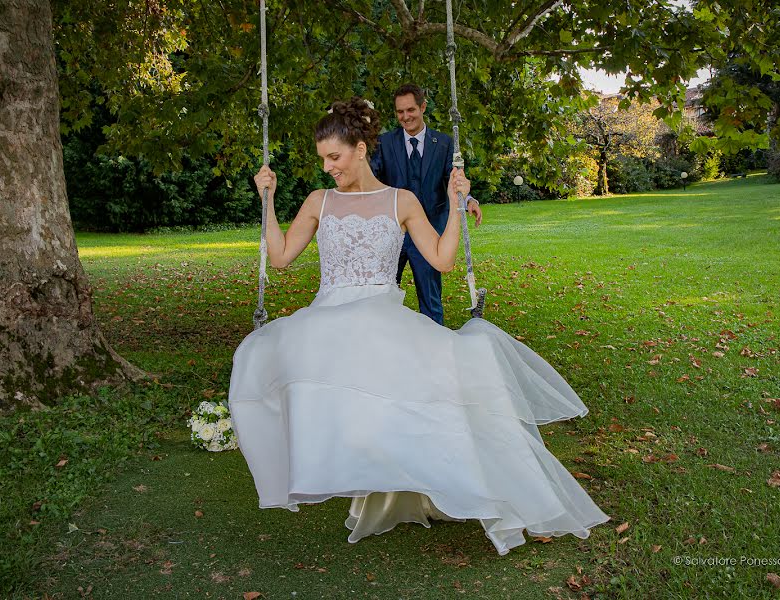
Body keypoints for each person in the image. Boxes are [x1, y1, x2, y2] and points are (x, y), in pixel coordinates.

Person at [228, 97, 609, 556]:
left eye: (335, 157)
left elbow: (443, 260)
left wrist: (452, 203)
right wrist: (267, 202)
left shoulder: (400, 201)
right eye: (323, 159)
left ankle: (454, 482)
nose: (328, 167)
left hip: (380, 313)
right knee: (278, 365)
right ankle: (372, 480)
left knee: (438, 387)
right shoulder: (318, 202)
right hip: (328, 317)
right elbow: (282, 257)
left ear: (362, 149)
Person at [371, 83, 483, 325]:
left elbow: (453, 180)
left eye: (410, 110)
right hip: (393, 234)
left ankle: (436, 352)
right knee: (381, 297)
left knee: (431, 303)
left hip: (430, 234)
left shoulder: (443, 143)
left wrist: (469, 199)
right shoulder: (384, 143)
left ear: (423, 107)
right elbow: (370, 179)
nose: (405, 117)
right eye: (400, 112)